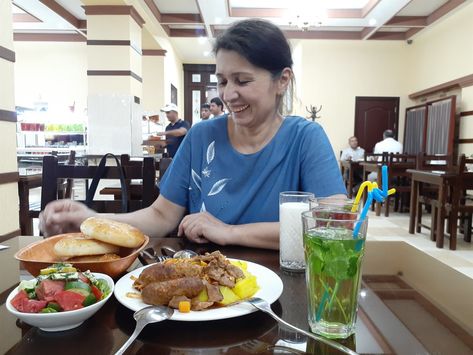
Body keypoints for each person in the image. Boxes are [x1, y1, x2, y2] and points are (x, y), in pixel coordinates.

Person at [39, 19, 346, 250]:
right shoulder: (202, 136)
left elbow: (335, 225)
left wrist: (229, 232)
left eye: (242, 80)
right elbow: (161, 216)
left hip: (280, 291)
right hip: (203, 294)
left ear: (282, 81)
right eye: (222, 81)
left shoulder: (305, 138)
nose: (228, 94)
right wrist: (90, 220)